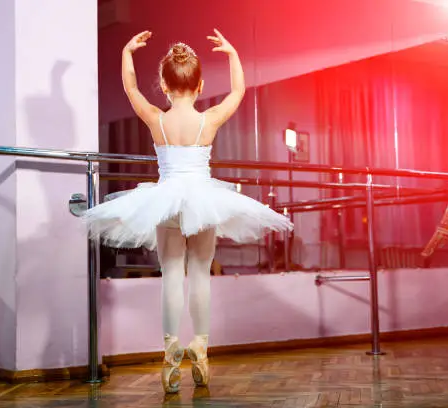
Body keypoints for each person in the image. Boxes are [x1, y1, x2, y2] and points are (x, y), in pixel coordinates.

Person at [83, 29, 293, 393]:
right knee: (199, 273)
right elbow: (239, 92)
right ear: (199, 86)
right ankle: (201, 344)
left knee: (170, 275)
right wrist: (232, 54)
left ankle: (169, 352)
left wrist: (126, 52)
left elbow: (130, 89)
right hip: (201, 199)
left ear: (164, 86)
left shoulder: (156, 119)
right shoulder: (207, 120)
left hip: (166, 199)